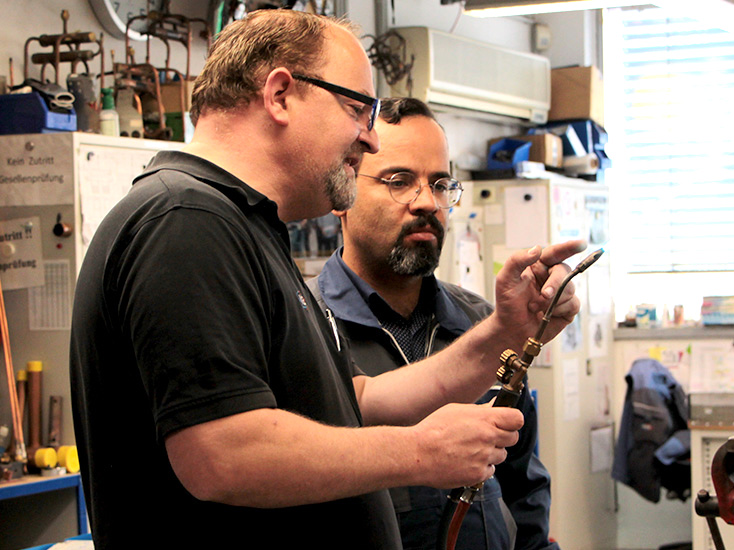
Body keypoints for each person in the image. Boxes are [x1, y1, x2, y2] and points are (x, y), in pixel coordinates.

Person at [68, 10, 582, 549]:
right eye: (358, 109)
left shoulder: (245, 228)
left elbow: (355, 400)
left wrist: (504, 330)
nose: (370, 140)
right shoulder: (186, 220)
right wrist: (420, 452)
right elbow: (222, 454)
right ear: (281, 95)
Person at [307, 98, 561, 550]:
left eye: (440, 184)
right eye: (399, 181)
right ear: (341, 195)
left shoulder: (483, 322)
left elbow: (523, 483)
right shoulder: (306, 326)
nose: (427, 202)